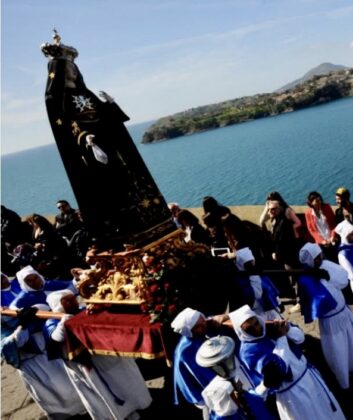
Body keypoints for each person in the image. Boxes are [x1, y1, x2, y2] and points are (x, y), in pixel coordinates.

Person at [43, 35, 176, 249]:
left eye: (75, 67)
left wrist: (111, 104)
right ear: (59, 70)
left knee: (130, 179)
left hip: (111, 142)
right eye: (69, 67)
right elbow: (66, 126)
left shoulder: (87, 93)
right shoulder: (59, 100)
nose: (74, 70)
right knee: (112, 187)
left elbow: (109, 120)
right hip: (93, 150)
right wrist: (85, 138)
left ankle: (149, 217)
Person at [46, 289, 152, 420]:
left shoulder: (84, 310)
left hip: (110, 355)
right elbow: (56, 339)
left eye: (72, 298)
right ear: (58, 304)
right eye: (66, 301)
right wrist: (63, 324)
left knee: (128, 383)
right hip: (89, 365)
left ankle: (138, 407)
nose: (72, 302)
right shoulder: (52, 322)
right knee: (106, 392)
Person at [297, 243, 353, 389]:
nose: (320, 259)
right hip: (331, 320)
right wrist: (319, 281)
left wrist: (327, 277)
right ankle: (344, 378)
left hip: (344, 313)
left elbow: (342, 280)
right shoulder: (305, 279)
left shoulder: (326, 265)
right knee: (338, 349)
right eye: (316, 258)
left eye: (319, 256)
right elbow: (317, 301)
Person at [1, 303, 88, 419]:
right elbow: (12, 344)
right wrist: (23, 324)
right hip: (34, 368)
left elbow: (45, 320)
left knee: (76, 390)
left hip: (52, 359)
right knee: (56, 401)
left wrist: (33, 313)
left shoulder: (16, 312)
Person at [255, 334, 345, 420]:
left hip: (308, 378)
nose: (257, 327)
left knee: (324, 410)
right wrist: (281, 337)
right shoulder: (251, 349)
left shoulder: (272, 327)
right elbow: (280, 367)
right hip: (292, 394)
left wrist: (287, 329)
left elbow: (299, 337)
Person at [195, 335, 274, 420]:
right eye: (231, 395)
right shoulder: (228, 414)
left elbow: (254, 398)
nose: (236, 395)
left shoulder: (243, 397)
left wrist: (265, 385)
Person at [170, 308, 218, 417]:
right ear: (189, 331)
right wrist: (198, 399)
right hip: (207, 391)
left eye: (203, 321)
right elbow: (183, 379)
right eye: (199, 326)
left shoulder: (202, 331)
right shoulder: (184, 351)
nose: (204, 326)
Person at [304, 191, 338, 261]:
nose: (319, 202)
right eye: (316, 201)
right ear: (311, 203)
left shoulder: (327, 207)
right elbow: (311, 230)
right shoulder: (308, 213)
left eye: (320, 200)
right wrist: (321, 241)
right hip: (321, 243)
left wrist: (332, 236)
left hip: (332, 239)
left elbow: (333, 224)